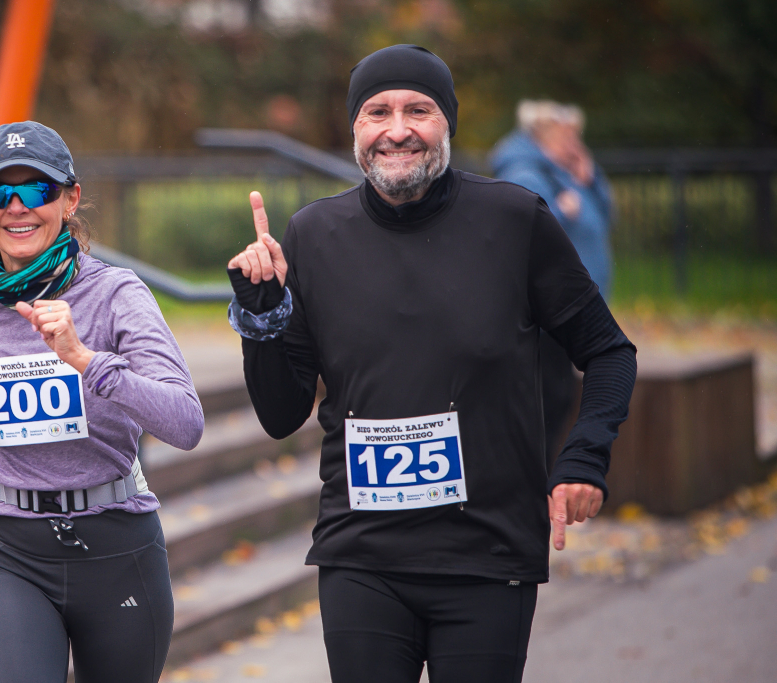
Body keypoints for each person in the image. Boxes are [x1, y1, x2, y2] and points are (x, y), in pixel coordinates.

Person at [226, 45, 636, 683]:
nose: (397, 130)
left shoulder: (513, 220)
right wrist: (262, 317)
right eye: (377, 112)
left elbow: (609, 352)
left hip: (487, 554)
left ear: (448, 122)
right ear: (355, 128)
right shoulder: (313, 233)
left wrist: (584, 457)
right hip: (361, 555)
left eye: (418, 110)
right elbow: (281, 415)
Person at [0, 121, 204, 683]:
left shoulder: (117, 294)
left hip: (117, 548)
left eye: (37, 189)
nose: (17, 207)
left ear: (70, 200)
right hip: (10, 550)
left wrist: (86, 360)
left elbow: (185, 423)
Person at [489, 100, 615, 467]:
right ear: (545, 135)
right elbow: (527, 229)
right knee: (550, 398)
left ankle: (541, 471)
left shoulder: (564, 170)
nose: (575, 144)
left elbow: (607, 214)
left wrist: (590, 178)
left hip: (571, 305)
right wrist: (562, 209)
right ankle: (535, 475)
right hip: (548, 310)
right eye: (568, 136)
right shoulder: (527, 173)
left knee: (560, 396)